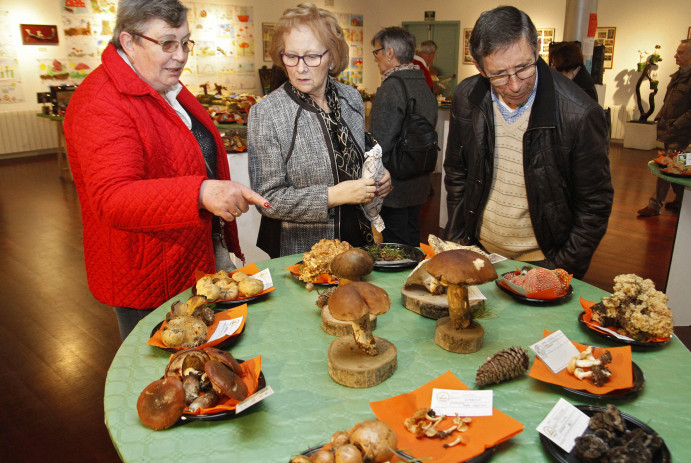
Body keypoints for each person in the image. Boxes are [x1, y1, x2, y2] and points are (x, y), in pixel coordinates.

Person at [63, 0, 269, 341]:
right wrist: (201, 192)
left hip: (192, 259)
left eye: (185, 42)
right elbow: (112, 198)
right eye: (167, 44)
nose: (181, 55)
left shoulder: (164, 84)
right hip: (150, 274)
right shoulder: (101, 101)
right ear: (129, 42)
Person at [443, 5, 612, 279]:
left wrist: (560, 269)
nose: (514, 85)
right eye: (498, 74)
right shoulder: (467, 96)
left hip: (543, 264)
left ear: (536, 47)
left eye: (523, 67)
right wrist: (460, 237)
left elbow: (595, 205)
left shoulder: (580, 113)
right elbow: (457, 172)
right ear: (479, 66)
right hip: (478, 253)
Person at [247, 3, 391, 258]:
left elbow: (358, 156)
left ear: (332, 56)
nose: (300, 68)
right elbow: (268, 199)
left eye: (312, 56)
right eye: (291, 56)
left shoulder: (351, 99)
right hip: (302, 254)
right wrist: (332, 196)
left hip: (357, 242)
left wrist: (379, 177)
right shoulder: (267, 113)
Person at [370, 27, 438, 247]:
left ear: (390, 52)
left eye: (377, 52)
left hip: (395, 185)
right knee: (411, 240)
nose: (376, 59)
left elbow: (380, 144)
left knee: (395, 249)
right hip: (419, 179)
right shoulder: (422, 82)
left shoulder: (392, 87)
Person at [637, 39, 691, 217]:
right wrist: (661, 117)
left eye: (680, 52)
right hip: (669, 127)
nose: (675, 55)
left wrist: (678, 124)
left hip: (682, 130)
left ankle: (655, 205)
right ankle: (681, 199)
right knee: (678, 164)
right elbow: (669, 101)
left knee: (667, 165)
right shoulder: (679, 75)